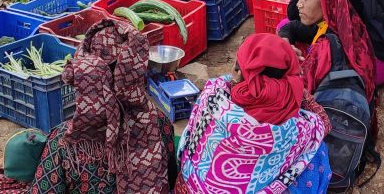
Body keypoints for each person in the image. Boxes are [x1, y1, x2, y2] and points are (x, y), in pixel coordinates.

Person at [28, 15, 176, 192]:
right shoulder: (159, 124)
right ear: (136, 72)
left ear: (84, 77)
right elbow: (171, 180)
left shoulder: (64, 141)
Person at [177, 33, 330, 193]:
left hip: (189, 187)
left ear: (238, 71)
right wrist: (295, 84)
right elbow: (324, 123)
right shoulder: (298, 130)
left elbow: (235, 80)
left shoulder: (213, 94)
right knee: (317, 153)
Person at [292, 0, 376, 105]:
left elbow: (302, 92)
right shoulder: (350, 22)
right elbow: (293, 27)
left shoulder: (326, 46)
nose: (298, 4)